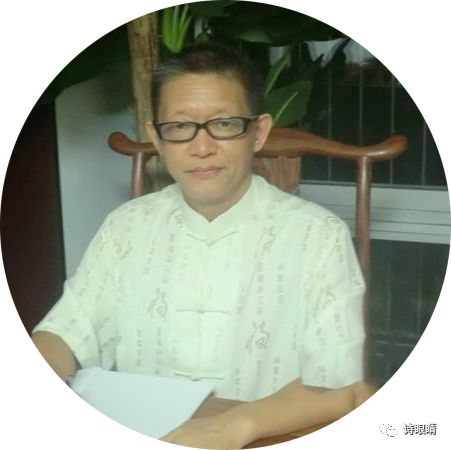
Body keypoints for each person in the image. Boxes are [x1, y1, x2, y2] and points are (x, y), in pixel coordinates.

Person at [32, 44, 372, 449]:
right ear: (157, 138)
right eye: (179, 127)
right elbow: (64, 332)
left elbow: (339, 384)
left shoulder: (317, 235)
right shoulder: (126, 226)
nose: (202, 147)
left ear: (258, 133)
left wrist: (236, 425)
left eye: (224, 124)